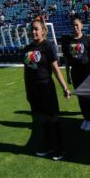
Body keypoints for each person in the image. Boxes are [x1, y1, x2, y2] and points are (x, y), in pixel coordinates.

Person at [23, 17, 71, 161]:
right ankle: (47, 146)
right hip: (33, 90)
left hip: (46, 88)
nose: (33, 31)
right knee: (42, 120)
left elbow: (55, 69)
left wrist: (65, 87)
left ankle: (59, 149)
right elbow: (26, 72)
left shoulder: (49, 46)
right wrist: (27, 92)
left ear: (43, 31)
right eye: (32, 29)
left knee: (53, 119)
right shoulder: (27, 49)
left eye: (36, 29)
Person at [63, 15, 90, 131]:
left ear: (81, 25)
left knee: (87, 97)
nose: (75, 27)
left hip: (86, 73)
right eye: (73, 25)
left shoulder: (87, 39)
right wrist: (67, 75)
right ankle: (85, 119)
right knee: (80, 97)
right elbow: (67, 60)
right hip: (75, 73)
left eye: (77, 25)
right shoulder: (68, 41)